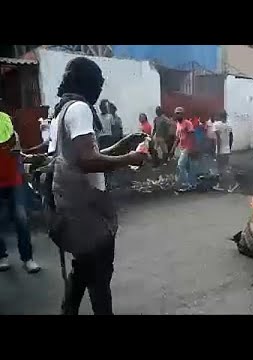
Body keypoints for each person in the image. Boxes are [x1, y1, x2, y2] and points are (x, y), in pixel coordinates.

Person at [48, 57, 148, 315]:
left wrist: (123, 145)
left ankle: (67, 311)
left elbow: (82, 154)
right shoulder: (80, 108)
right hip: (88, 210)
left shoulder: (61, 110)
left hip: (70, 205)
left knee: (83, 268)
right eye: (98, 83)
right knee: (99, 277)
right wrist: (130, 159)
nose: (100, 89)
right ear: (89, 83)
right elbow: (88, 160)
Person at [0, 112, 41, 273]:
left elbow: (17, 154)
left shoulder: (11, 132)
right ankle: (2, 256)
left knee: (21, 218)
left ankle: (28, 258)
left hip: (14, 181)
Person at [169, 107, 198, 192]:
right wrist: (173, 149)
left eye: (179, 113)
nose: (177, 115)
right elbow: (177, 138)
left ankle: (184, 184)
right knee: (188, 167)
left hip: (187, 148)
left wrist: (191, 148)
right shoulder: (178, 124)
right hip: (182, 148)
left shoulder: (187, 123)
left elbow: (192, 136)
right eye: (176, 113)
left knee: (180, 165)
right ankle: (192, 184)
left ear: (183, 114)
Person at [212, 111, 238, 192]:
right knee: (224, 167)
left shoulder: (216, 125)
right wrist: (229, 148)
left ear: (219, 116)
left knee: (221, 168)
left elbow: (218, 139)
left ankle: (232, 183)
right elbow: (231, 138)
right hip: (226, 150)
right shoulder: (228, 125)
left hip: (221, 150)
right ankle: (222, 184)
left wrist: (218, 151)